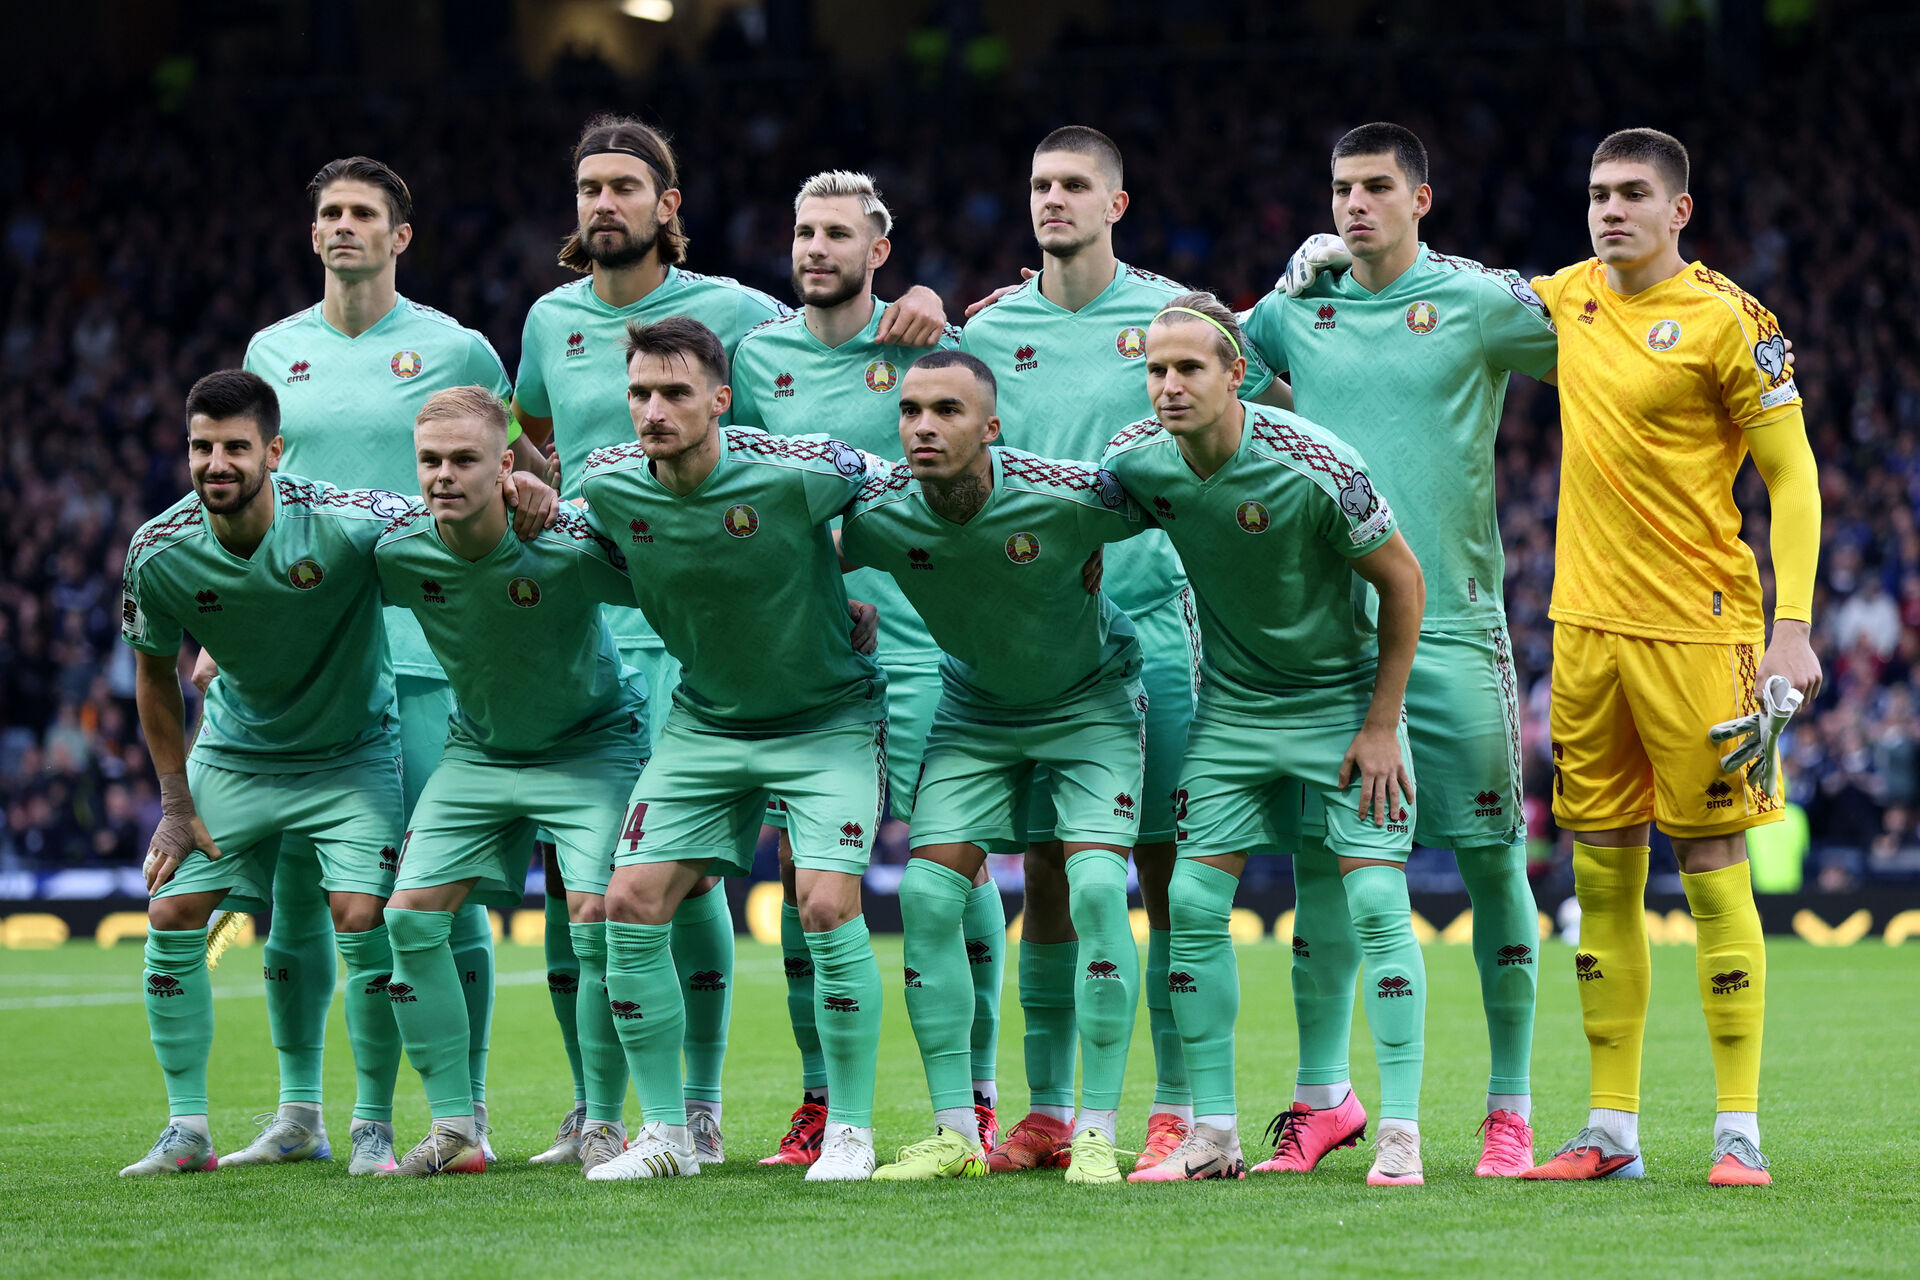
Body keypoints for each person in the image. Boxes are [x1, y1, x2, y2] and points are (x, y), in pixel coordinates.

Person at [957, 125, 1279, 1172]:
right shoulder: (991, 325)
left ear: (1117, 204)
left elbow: (1264, 401)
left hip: (1158, 624)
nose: (1054, 200)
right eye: (1041, 183)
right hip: (1037, 640)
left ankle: (1177, 1103)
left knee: (1164, 864)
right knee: (1047, 862)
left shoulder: (1172, 316)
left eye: (1075, 185)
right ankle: (1049, 1106)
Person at [1243, 123, 1558, 1177]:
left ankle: (1509, 1105)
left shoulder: (1473, 302)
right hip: (1335, 643)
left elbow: (1592, 337)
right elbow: (1199, 371)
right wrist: (1260, 303)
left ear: (1423, 198)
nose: (1356, 204)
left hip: (1457, 628)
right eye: (1341, 187)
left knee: (1491, 861)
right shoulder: (1298, 308)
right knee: (1324, 867)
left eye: (1378, 186)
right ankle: (1323, 1097)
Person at [1520, 129, 1820, 1187]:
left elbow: (1793, 476)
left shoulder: (1733, 322)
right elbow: (1450, 297)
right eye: (1598, 192)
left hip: (1703, 632)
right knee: (1599, 872)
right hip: (1585, 632)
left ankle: (1738, 1130)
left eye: (1633, 194)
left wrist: (1792, 622)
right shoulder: (1564, 297)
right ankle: (1611, 1128)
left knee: (1709, 865)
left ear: (1678, 211)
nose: (1609, 210)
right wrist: (1343, 261)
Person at [1101, 296, 1430, 1186]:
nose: (1169, 386)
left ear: (1235, 372)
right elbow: (1068, 524)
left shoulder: (1318, 464)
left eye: (1190, 369)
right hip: (1233, 716)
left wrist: (1382, 724)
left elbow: (1404, 582)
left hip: (1339, 707)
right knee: (1193, 912)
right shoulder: (1135, 461)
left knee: (1375, 907)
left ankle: (1399, 1132)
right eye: (1156, 370)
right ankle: (1214, 1134)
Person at [233, 155, 519, 1173]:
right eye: (330, 213)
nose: (343, 226)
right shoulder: (274, 348)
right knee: (303, 897)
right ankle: (300, 1110)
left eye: (363, 213)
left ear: (403, 234)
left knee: (445, 888)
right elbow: (253, 502)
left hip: (433, 653)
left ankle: (464, 1112)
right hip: (310, 657)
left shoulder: (457, 348)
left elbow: (516, 475)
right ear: (312, 233)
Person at [729, 171, 1005, 1164]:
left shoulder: (922, 340)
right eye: (803, 230)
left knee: (951, 858)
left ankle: (975, 1098)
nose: (814, 247)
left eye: (836, 233)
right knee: (811, 870)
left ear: (877, 252)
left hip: (927, 636)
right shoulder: (756, 356)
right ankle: (817, 1100)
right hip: (811, 649)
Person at [578, 316, 887, 1182]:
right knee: (628, 903)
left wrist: (839, 572)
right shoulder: (608, 484)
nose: (652, 410)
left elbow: (908, 487)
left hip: (826, 717)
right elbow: (562, 542)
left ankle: (850, 1133)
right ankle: (668, 1137)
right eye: (639, 393)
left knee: (825, 907)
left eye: (675, 393)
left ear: (720, 400)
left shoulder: (800, 470)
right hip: (707, 721)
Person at [842, 351, 1148, 1184]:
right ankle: (953, 1133)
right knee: (923, 893)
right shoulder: (879, 510)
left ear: (992, 427)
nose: (924, 427)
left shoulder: (1066, 492)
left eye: (947, 410)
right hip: (976, 713)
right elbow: (784, 556)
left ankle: (1094, 1129)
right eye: (910, 411)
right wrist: (844, 603)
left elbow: (1180, 497)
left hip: (1091, 703)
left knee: (1089, 887)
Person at [117, 371, 413, 1176]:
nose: (217, 462)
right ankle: (187, 1131)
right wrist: (175, 804)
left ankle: (372, 1128)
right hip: (239, 751)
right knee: (176, 913)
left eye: (235, 447)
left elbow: (443, 525)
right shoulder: (158, 548)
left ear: (273, 452)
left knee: (362, 918)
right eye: (201, 447)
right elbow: (153, 676)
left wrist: (515, 485)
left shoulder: (348, 520)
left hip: (351, 750)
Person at [374, 387, 644, 1176]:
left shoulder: (563, 538)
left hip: (590, 745)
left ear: (505, 466)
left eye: (465, 460)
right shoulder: (397, 550)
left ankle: (603, 1118)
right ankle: (458, 1129)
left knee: (597, 916)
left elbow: (669, 576)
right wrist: (222, 649)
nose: (444, 476)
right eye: (431, 461)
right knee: (410, 918)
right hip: (480, 752)